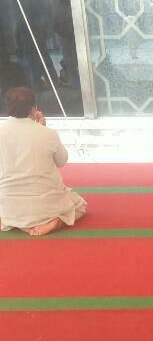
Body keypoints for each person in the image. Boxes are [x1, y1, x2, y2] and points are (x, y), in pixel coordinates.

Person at [0, 87, 86, 236]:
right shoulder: (48, 133)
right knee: (80, 205)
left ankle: (13, 221)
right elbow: (61, 161)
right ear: (33, 108)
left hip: (9, 206)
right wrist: (42, 128)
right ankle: (57, 221)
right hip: (45, 206)